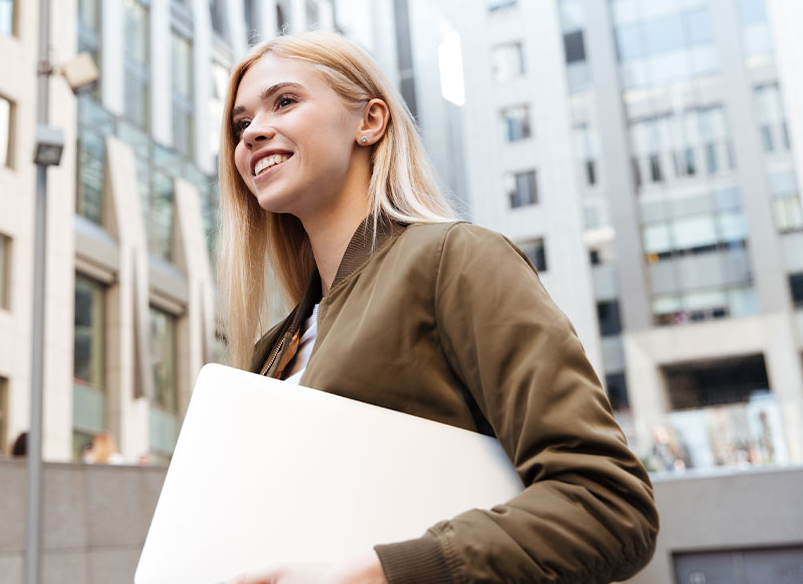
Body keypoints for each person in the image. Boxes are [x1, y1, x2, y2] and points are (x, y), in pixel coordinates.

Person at [219, 32, 658, 583]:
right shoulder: (270, 351)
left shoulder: (457, 260)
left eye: (284, 101)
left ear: (370, 122)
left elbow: (608, 507)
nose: (253, 132)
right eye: (240, 124)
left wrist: (384, 572)